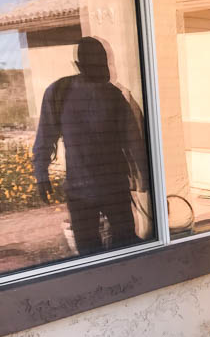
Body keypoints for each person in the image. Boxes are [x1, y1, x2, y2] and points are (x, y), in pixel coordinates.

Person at [33, 36, 149, 255]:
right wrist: (41, 174)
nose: (103, 69)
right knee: (89, 252)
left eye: (103, 62)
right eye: (95, 63)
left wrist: (145, 182)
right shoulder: (59, 92)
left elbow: (134, 143)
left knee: (124, 248)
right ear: (79, 66)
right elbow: (45, 135)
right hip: (80, 191)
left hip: (114, 187)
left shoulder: (115, 96)